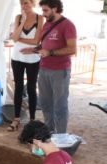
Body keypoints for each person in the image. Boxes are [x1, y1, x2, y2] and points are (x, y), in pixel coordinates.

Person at [37, 0, 76, 133]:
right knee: (45, 103)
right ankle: (49, 131)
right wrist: (33, 50)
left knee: (60, 105)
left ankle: (61, 136)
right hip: (43, 68)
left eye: (46, 10)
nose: (43, 14)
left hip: (60, 71)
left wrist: (51, 52)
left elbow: (72, 49)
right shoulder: (47, 24)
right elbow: (45, 46)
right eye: (42, 10)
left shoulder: (67, 25)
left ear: (55, 8)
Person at [8, 0, 44, 132]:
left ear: (33, 3)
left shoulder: (40, 18)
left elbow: (36, 41)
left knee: (31, 88)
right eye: (22, 3)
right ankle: (16, 119)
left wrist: (18, 39)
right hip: (17, 57)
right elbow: (14, 38)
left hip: (33, 58)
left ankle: (32, 120)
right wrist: (22, 22)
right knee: (18, 87)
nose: (24, 6)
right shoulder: (18, 17)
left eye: (27, 3)